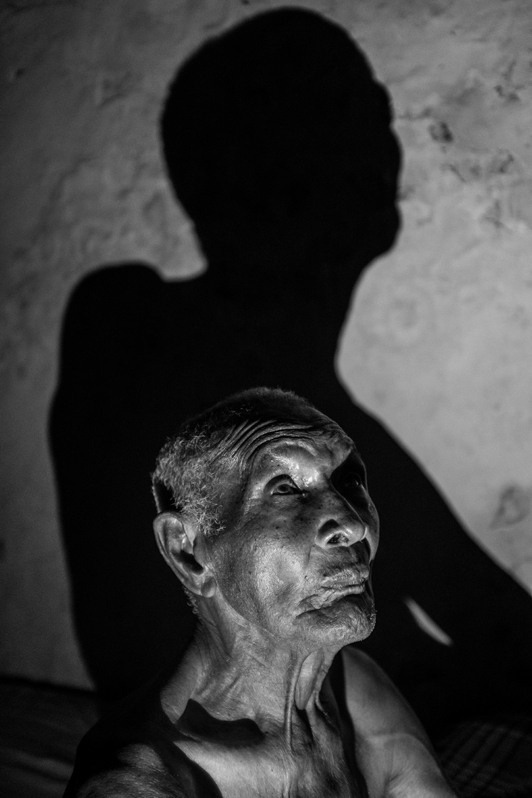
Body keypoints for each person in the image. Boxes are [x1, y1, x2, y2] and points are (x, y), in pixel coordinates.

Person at [64, 388, 455, 798]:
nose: (353, 524)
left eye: (350, 479)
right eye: (285, 488)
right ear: (188, 552)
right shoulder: (145, 783)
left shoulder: (354, 689)